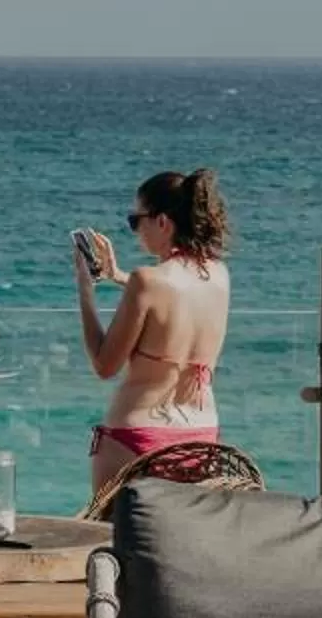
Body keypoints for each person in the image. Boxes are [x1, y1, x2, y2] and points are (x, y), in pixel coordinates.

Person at [74, 168, 231, 499]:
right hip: (199, 434)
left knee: (116, 542)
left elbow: (105, 366)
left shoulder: (147, 281)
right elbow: (175, 295)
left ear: (163, 222)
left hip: (137, 433)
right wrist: (119, 276)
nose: (135, 231)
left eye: (136, 220)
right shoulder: (218, 276)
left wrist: (85, 292)